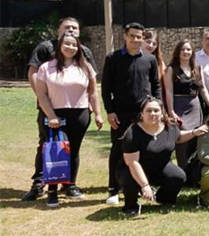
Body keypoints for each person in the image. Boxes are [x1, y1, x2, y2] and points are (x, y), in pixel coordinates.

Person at [22, 17, 98, 201]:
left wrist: (91, 106)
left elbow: (92, 84)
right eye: (67, 27)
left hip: (77, 110)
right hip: (51, 109)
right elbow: (33, 73)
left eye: (74, 28)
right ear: (59, 30)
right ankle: (39, 184)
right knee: (49, 146)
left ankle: (68, 184)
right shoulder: (45, 48)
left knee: (72, 148)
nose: (71, 30)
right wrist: (44, 100)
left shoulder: (84, 52)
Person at [102, 22, 162, 205]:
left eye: (139, 37)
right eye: (132, 36)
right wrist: (110, 111)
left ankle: (142, 185)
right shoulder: (113, 58)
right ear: (125, 36)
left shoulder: (150, 59)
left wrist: (158, 107)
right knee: (117, 150)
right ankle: (113, 189)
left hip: (144, 114)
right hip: (120, 114)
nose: (136, 40)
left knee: (144, 150)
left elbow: (156, 85)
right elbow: (105, 88)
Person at [118, 97, 208, 215]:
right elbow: (132, 162)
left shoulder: (169, 126)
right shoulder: (132, 133)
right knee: (129, 179)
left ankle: (163, 199)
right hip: (132, 169)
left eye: (156, 110)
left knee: (179, 176)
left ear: (162, 113)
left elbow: (178, 137)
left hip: (160, 167)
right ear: (142, 114)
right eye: (148, 110)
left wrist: (194, 132)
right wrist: (145, 185)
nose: (152, 114)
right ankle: (131, 206)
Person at [164, 40, 209, 175]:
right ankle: (182, 170)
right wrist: (171, 111)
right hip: (179, 106)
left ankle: (194, 171)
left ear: (192, 52)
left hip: (195, 107)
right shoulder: (171, 69)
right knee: (182, 138)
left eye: (188, 50)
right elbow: (169, 91)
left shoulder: (197, 68)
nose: (186, 52)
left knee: (196, 136)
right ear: (178, 52)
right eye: (183, 50)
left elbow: (203, 88)